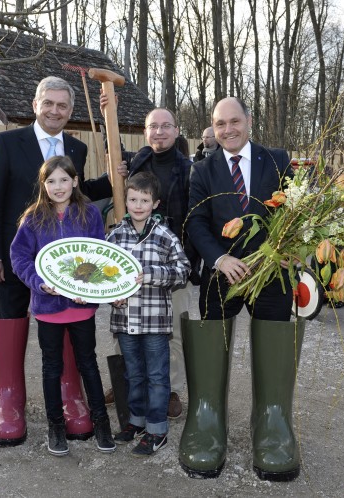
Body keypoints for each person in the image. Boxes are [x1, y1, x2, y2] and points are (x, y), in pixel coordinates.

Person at [0, 76, 112, 446]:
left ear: (70, 111)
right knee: (11, 315)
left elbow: (77, 191)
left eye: (62, 106)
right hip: (19, 256)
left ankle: (68, 393)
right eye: (49, 103)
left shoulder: (76, 146)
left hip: (67, 265)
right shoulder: (8, 142)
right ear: (35, 104)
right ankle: (7, 397)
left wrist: (112, 180)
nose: (55, 111)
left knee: (66, 321)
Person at [186, 97, 299, 481]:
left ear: (249, 121)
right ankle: (208, 419)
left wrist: (289, 250)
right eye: (220, 124)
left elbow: (296, 212)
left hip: (271, 273)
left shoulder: (278, 160)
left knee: (275, 340)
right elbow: (196, 222)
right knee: (211, 340)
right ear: (213, 128)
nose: (228, 129)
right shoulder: (202, 169)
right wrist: (219, 259)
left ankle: (270, 420)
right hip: (223, 274)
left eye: (235, 121)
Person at [10, 156, 116, 456]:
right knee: (51, 367)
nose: (58, 186)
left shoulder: (90, 214)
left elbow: (98, 255)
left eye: (64, 179)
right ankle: (56, 427)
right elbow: (19, 258)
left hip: (81, 306)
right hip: (47, 306)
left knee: (88, 364)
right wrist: (37, 282)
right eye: (51, 181)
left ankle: (101, 424)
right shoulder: (33, 218)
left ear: (75, 181)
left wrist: (89, 287)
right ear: (44, 185)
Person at [100, 98, 196, 418]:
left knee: (173, 330)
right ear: (145, 133)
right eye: (153, 126)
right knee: (124, 324)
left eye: (166, 126)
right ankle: (127, 381)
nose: (159, 132)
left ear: (176, 131)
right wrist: (106, 114)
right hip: (131, 258)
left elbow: (194, 217)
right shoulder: (138, 160)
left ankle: (169, 388)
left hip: (170, 259)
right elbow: (112, 148)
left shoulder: (188, 168)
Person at [107, 172, 190, 456]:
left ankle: (157, 430)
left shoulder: (165, 236)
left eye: (144, 200)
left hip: (154, 322)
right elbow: (106, 276)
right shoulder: (116, 234)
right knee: (133, 374)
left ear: (155, 203)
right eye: (133, 199)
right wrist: (112, 296)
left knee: (156, 376)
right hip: (124, 320)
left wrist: (150, 275)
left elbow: (183, 271)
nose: (138, 205)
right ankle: (136, 422)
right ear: (126, 200)